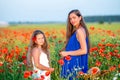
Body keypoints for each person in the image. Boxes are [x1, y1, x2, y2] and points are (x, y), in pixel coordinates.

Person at [60, 9, 90, 80]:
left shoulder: (79, 31)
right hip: (73, 63)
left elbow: (84, 50)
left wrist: (66, 53)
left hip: (75, 65)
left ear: (80, 18)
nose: (72, 20)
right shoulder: (79, 30)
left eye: (74, 18)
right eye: (70, 19)